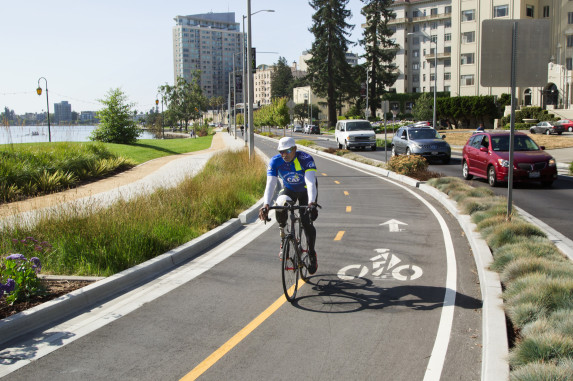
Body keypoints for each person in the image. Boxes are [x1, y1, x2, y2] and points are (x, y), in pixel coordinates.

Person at [258, 137, 319, 274]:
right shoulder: (275, 161)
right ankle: (284, 236)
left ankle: (311, 253)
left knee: (306, 221)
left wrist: (312, 203)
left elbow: (310, 183)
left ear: (295, 149)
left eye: (287, 151)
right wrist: (265, 204)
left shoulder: (305, 159)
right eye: (281, 152)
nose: (284, 155)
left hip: (306, 191)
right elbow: (271, 184)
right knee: (279, 204)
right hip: (289, 189)